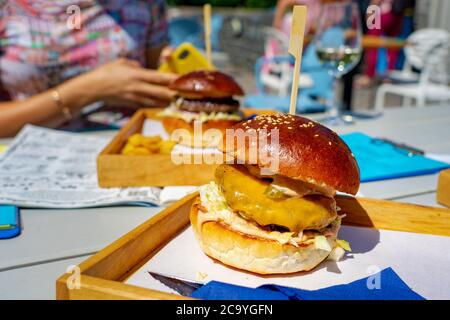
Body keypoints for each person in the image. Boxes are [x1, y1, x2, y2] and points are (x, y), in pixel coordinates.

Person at [0, 0, 177, 138]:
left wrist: (176, 75)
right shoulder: (7, 8)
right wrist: (88, 90)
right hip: (25, 156)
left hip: (126, 147)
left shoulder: (147, 4)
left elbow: (155, 89)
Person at [354, 0, 409, 88]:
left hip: (383, 13)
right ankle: (389, 75)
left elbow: (375, 1)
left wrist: (370, 14)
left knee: (372, 43)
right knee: (392, 46)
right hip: (398, 14)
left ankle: (369, 75)